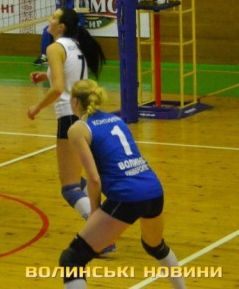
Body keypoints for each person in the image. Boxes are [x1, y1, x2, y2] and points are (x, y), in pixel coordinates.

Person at [59, 79, 186, 289]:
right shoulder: (116, 120)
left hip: (127, 196)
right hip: (153, 189)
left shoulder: (78, 129)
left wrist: (95, 213)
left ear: (74, 102)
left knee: (72, 260)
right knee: (155, 246)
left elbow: (93, 179)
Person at [28, 8, 106, 233]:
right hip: (84, 116)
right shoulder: (75, 44)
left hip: (69, 117)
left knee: (70, 187)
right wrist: (45, 75)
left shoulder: (54, 48)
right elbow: (71, 73)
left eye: (53, 17)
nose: (49, 19)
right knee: (77, 179)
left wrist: (36, 108)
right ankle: (108, 215)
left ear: (61, 26)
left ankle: (102, 232)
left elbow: (58, 89)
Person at [33, 0, 78, 65]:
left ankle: (70, 57)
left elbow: (73, 13)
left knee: (70, 32)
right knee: (47, 30)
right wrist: (54, 21)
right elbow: (58, 12)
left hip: (73, 22)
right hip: (62, 22)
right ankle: (44, 56)